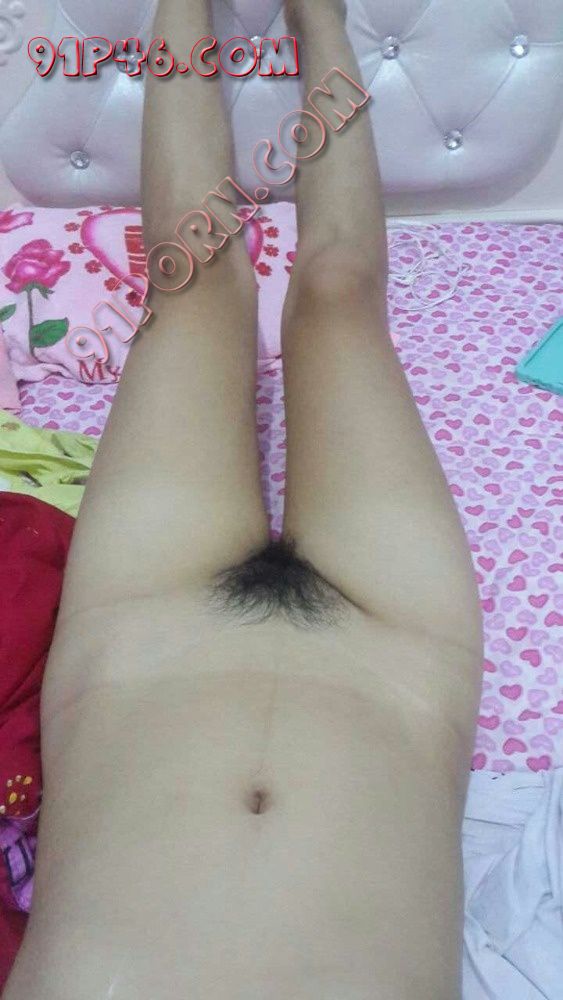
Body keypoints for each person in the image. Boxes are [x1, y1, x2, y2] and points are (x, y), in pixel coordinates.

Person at [2, 1, 484, 997]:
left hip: (142, 637)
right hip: (392, 660)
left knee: (189, 282)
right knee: (340, 292)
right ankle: (317, 17)